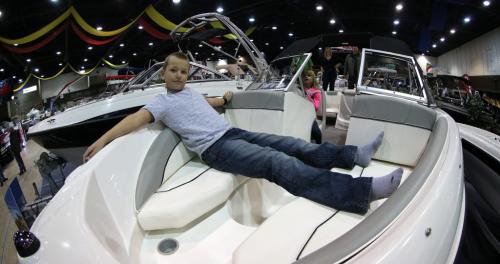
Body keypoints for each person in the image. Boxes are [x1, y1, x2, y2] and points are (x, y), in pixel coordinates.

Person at [83, 52, 403, 215]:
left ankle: (353, 155)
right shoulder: (161, 103)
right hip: (216, 150)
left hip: (231, 132)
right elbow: (136, 119)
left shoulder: (192, 93)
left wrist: (224, 99)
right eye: (173, 71)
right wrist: (102, 139)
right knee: (277, 162)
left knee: (290, 144)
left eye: (184, 71)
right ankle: (359, 191)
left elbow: (211, 101)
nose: (180, 76)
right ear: (163, 73)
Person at [302, 70, 322, 143]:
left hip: (310, 116)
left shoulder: (316, 92)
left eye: (309, 75)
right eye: (304, 76)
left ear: (313, 78)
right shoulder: (299, 88)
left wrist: (308, 96)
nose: (306, 76)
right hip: (299, 113)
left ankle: (319, 145)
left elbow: (316, 107)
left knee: (316, 132)